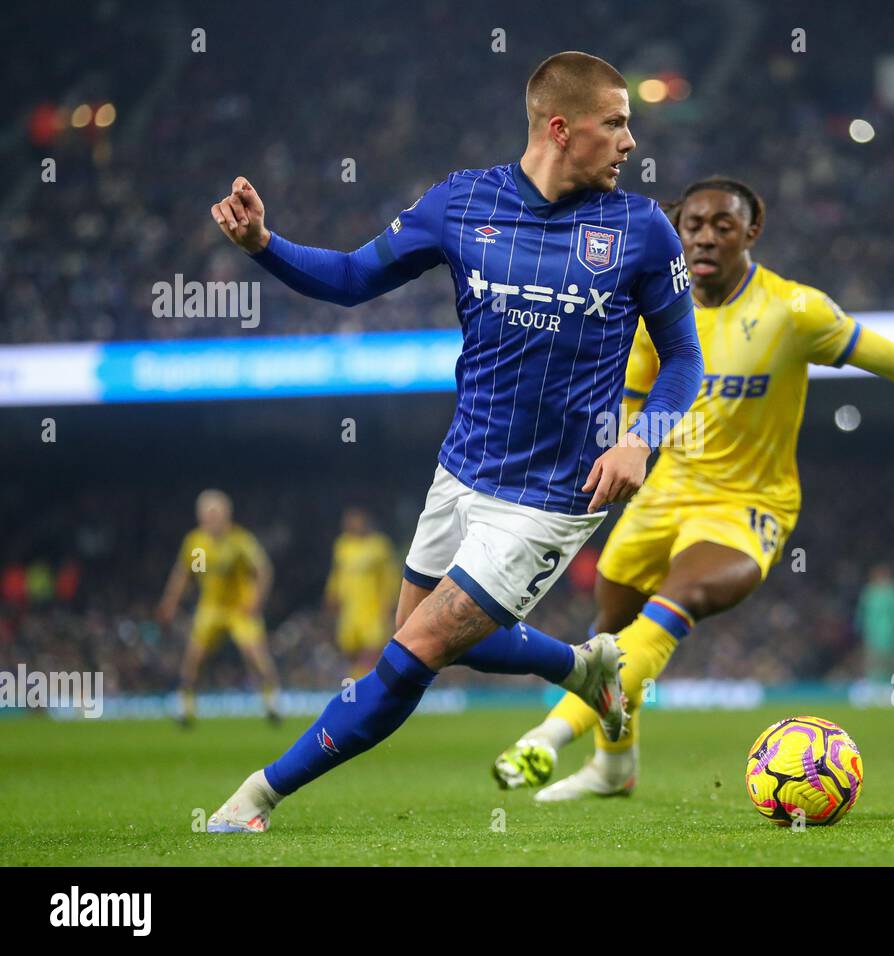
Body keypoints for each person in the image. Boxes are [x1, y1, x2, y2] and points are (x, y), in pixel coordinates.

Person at [202, 51, 704, 832]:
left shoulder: (641, 230)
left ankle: (254, 797)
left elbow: (684, 360)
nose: (632, 142)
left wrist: (643, 438)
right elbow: (349, 279)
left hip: (553, 496)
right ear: (561, 129)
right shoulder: (462, 202)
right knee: (427, 639)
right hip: (461, 471)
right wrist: (266, 244)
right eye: (617, 123)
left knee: (416, 652)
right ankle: (585, 669)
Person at [489, 177, 894, 800]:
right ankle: (614, 765)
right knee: (609, 631)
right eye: (694, 225)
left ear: (751, 231)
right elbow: (630, 409)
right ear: (678, 233)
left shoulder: (794, 312)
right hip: (661, 500)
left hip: (746, 507)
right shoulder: (655, 314)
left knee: (675, 604)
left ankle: (547, 736)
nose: (706, 236)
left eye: (723, 225)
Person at [156, 489, 280, 726]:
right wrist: (170, 601)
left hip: (239, 608)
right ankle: (185, 706)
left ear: (227, 515)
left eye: (215, 513)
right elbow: (184, 573)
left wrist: (256, 600)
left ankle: (271, 702)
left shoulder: (240, 540)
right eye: (207, 514)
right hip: (211, 607)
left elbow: (264, 570)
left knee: (255, 655)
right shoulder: (196, 542)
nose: (211, 519)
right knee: (194, 658)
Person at [324, 508, 399, 679]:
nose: (351, 524)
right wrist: (331, 594)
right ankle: (354, 693)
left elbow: (390, 578)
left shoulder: (379, 546)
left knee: (370, 655)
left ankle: (357, 692)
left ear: (365, 522)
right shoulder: (342, 545)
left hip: (372, 612)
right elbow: (336, 574)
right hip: (349, 613)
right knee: (351, 656)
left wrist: (388, 606)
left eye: (355, 520)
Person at [856, 563, 894, 682]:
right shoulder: (870, 592)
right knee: (874, 662)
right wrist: (861, 627)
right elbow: (862, 612)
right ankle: (875, 684)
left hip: (893, 635)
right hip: (874, 635)